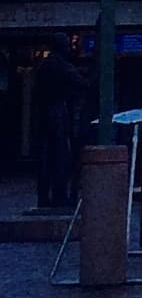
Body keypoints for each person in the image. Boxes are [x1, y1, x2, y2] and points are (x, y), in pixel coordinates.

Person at [32, 33, 84, 209]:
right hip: (56, 114)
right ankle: (59, 197)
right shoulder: (60, 65)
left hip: (44, 115)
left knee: (46, 158)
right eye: (67, 45)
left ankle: (44, 197)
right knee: (60, 156)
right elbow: (81, 84)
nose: (69, 48)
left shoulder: (44, 65)